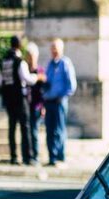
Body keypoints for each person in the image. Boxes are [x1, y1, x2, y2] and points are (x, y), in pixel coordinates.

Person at [0, 35, 40, 165]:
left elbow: (0, 81)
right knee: (25, 127)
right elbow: (27, 79)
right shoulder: (19, 62)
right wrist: (37, 77)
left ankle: (13, 156)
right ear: (19, 46)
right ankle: (27, 157)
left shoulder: (4, 61)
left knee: (12, 128)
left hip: (8, 99)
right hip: (20, 99)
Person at [43, 38, 77, 166]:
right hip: (49, 101)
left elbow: (71, 85)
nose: (54, 51)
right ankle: (52, 157)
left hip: (59, 102)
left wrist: (62, 96)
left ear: (61, 49)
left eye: (56, 49)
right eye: (52, 49)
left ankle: (60, 156)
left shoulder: (65, 63)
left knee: (59, 130)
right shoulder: (50, 64)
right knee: (49, 130)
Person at [25, 42, 46, 166]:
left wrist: (43, 106)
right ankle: (28, 156)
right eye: (28, 56)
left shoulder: (41, 71)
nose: (30, 58)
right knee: (27, 131)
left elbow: (43, 91)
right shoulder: (25, 70)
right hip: (27, 106)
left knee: (34, 131)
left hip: (37, 106)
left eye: (32, 56)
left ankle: (36, 156)